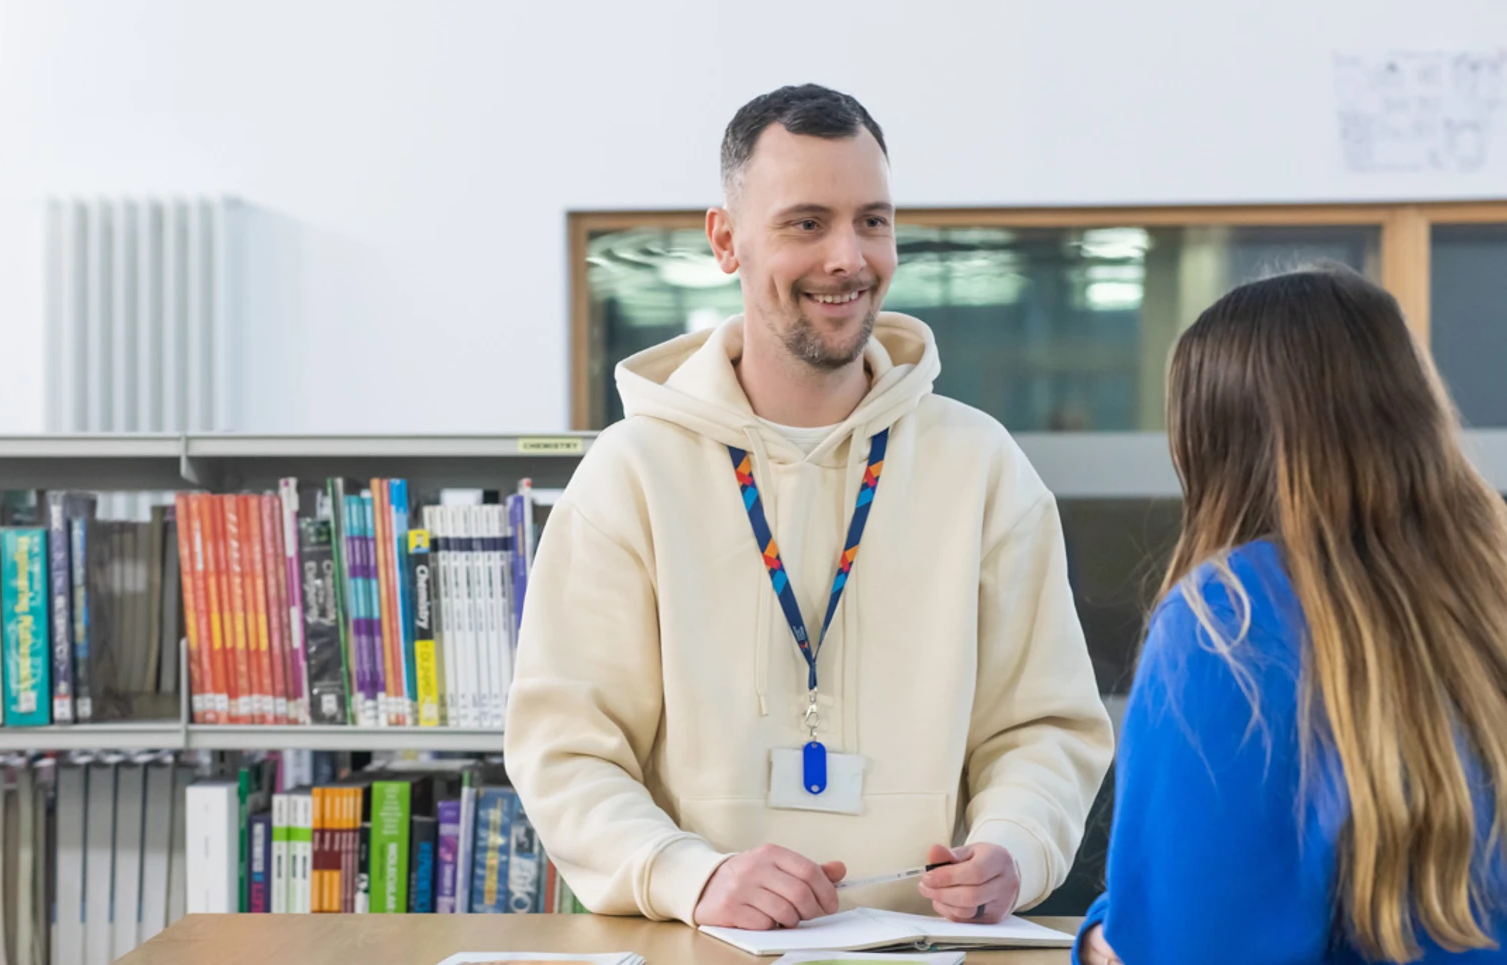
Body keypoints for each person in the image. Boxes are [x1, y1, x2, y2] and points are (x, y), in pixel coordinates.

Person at [505, 83, 1113, 932]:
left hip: (936, 948)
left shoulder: (981, 466)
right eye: (806, 223)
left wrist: (1016, 843)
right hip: (702, 945)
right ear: (726, 240)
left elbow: (1043, 724)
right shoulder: (630, 474)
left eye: (873, 220)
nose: (848, 257)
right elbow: (565, 749)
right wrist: (694, 875)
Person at [1076, 265, 1507, 965]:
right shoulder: (1489, 591)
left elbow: (1185, 946)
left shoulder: (1230, 619)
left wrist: (1104, 936)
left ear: (1215, 443)